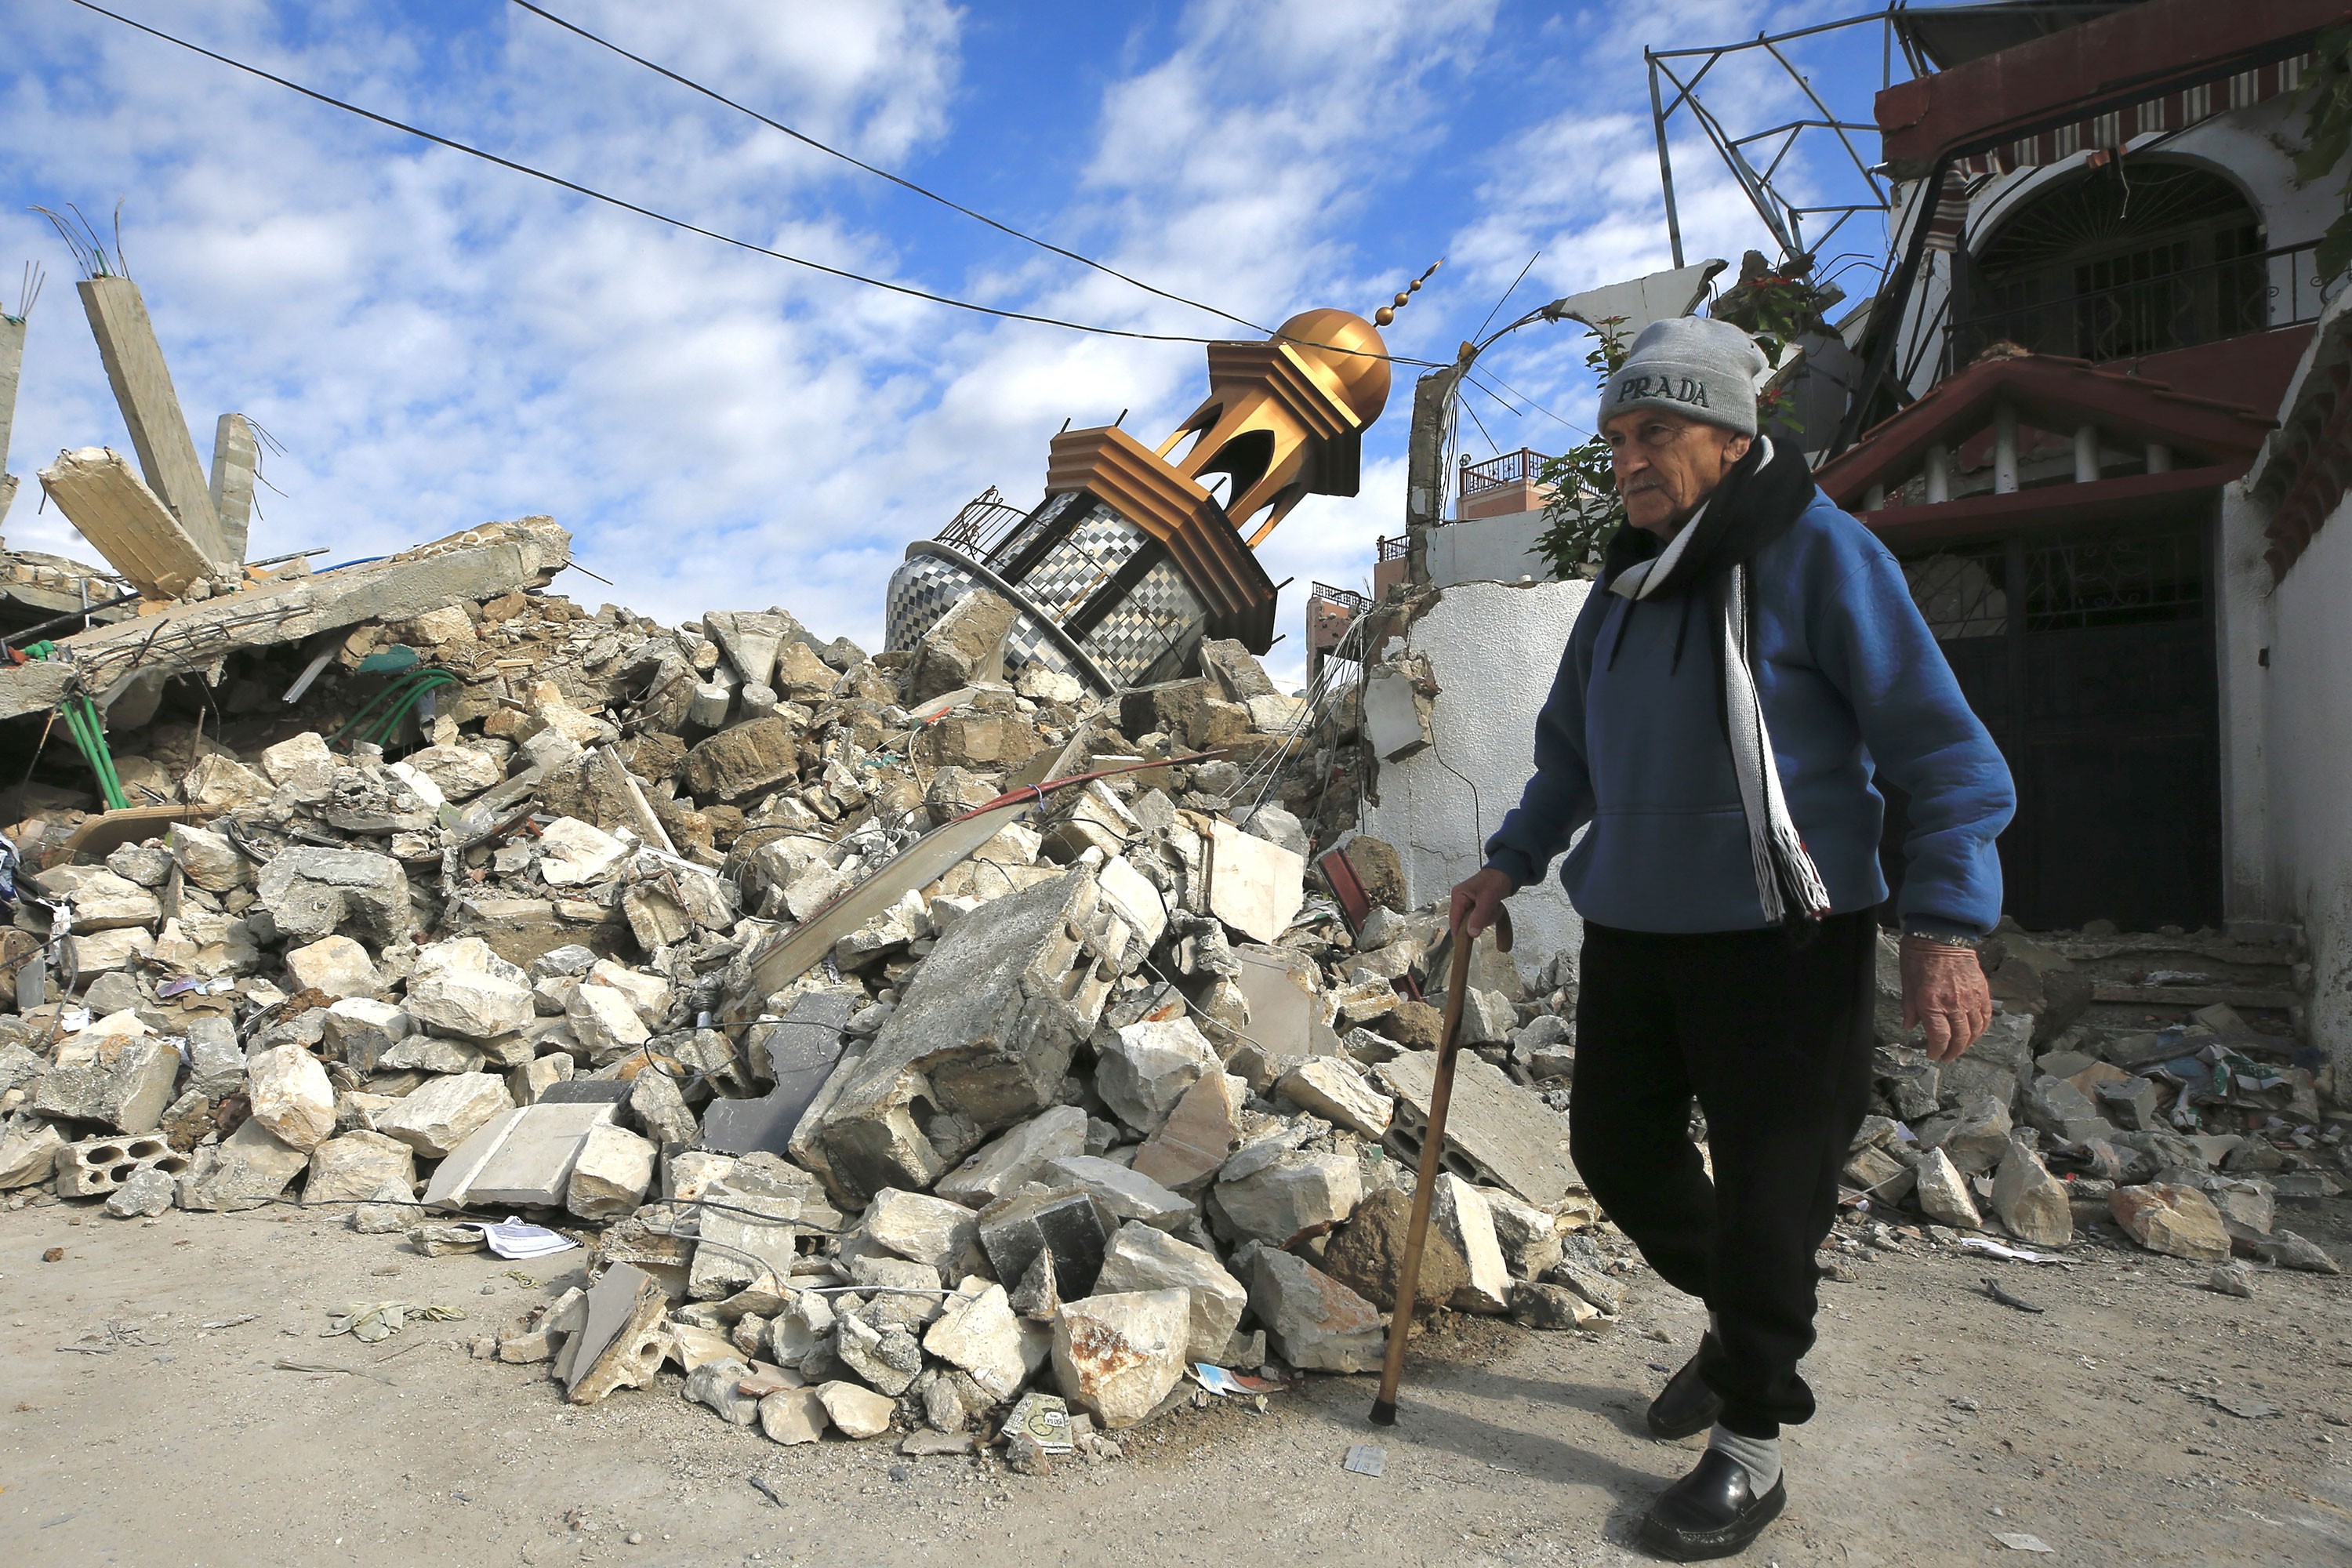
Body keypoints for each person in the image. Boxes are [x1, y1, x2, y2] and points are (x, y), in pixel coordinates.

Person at [1451, 315, 2015, 1562]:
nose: (1629, 459)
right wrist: (1510, 860)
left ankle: (1753, 1442)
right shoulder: (1622, 587)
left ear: (1729, 433)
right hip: (1640, 926)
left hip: (1788, 935)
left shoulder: (1823, 557)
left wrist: (1945, 925)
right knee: (1615, 1152)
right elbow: (1571, 755)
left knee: (1774, 1200)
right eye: (1616, 437)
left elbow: (1943, 751)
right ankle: (1743, 1324)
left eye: (1656, 432)